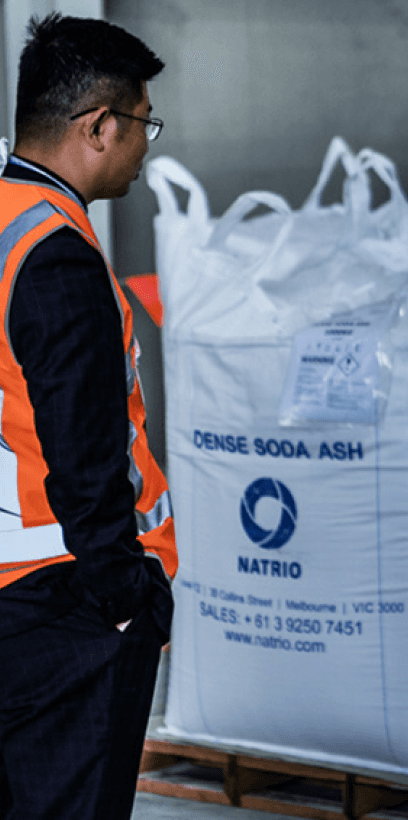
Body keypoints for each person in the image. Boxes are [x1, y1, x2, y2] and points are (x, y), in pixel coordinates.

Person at [0, 13, 178, 820]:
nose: (145, 146)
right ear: (99, 125)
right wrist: (125, 596)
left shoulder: (8, 223)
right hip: (60, 604)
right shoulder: (56, 254)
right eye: (144, 123)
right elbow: (86, 452)